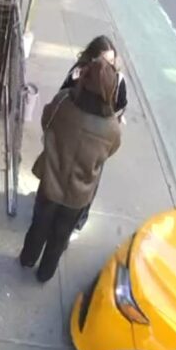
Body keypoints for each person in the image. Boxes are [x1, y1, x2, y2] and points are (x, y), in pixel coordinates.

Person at [21, 58, 122, 282]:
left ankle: (27, 259)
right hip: (80, 192)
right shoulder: (112, 128)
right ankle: (45, 274)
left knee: (39, 225)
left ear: (84, 79)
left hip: (51, 181)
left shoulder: (64, 101)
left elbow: (46, 122)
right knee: (60, 236)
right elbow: (110, 152)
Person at [62, 36, 127, 234]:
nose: (107, 66)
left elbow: (121, 106)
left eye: (111, 61)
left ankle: (78, 220)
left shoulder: (118, 81)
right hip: (75, 134)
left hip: (97, 142)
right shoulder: (77, 74)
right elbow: (63, 96)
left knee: (88, 182)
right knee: (65, 174)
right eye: (103, 61)